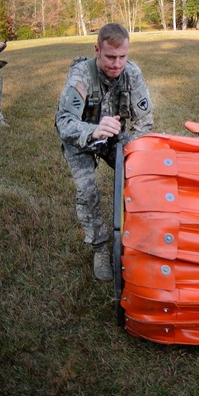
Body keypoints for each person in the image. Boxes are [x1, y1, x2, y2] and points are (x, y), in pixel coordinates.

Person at [55, 23, 154, 281]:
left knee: (142, 175)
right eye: (110, 56)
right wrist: (92, 130)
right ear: (97, 50)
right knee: (87, 191)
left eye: (123, 56)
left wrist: (135, 153)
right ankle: (100, 248)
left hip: (114, 136)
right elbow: (64, 122)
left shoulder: (132, 74)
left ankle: (139, 237)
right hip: (82, 139)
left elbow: (145, 122)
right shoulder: (81, 76)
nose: (117, 63)